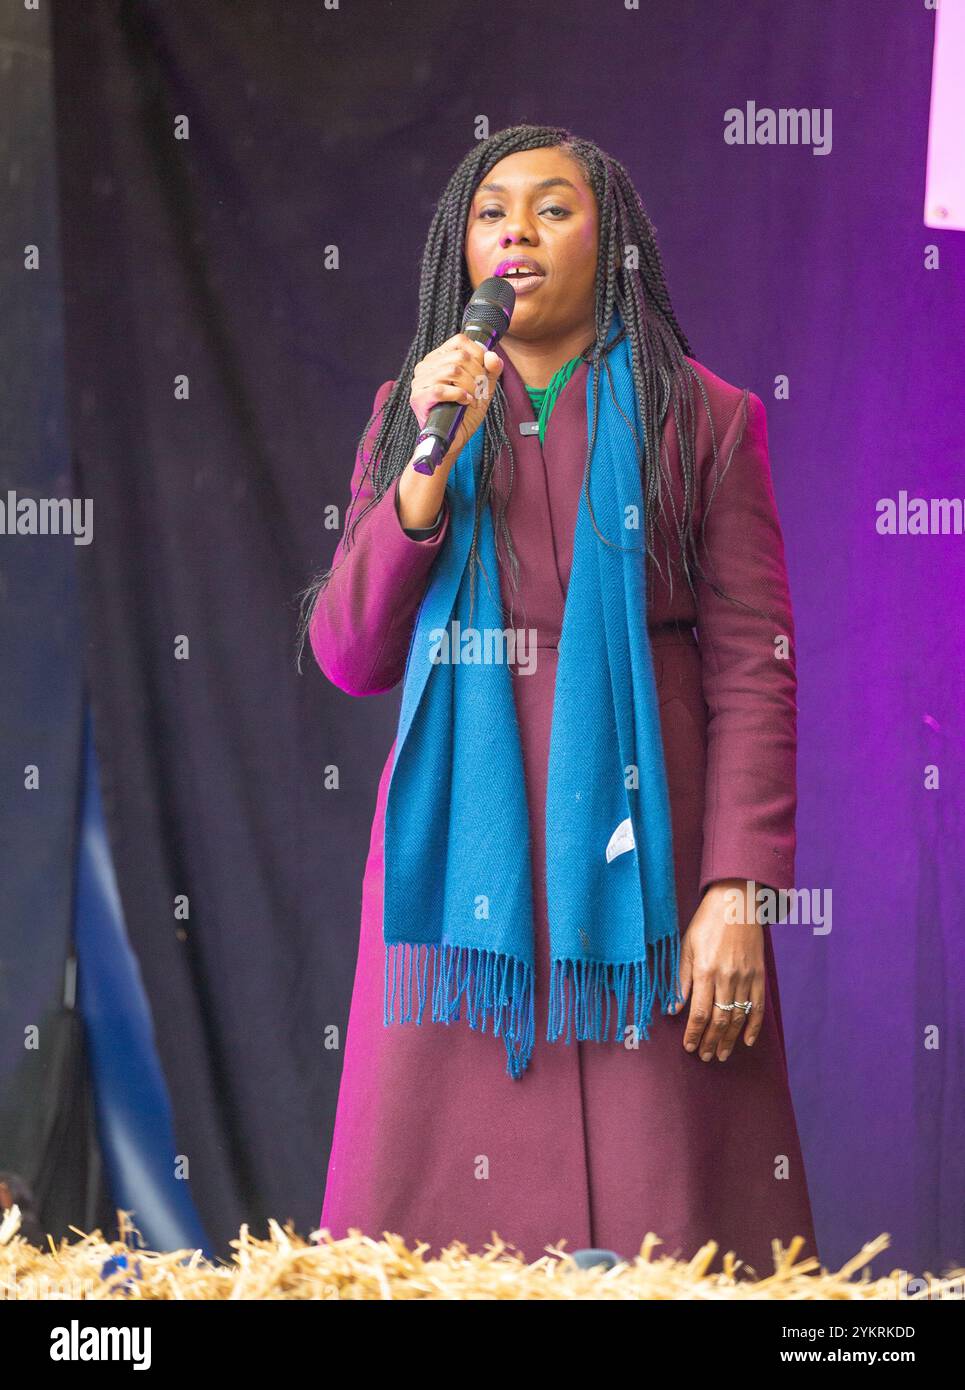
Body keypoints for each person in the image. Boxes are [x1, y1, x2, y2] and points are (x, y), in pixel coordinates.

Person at [295, 124, 818, 1273]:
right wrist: (422, 472)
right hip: (454, 881)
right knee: (428, 1241)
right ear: (463, 250)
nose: (515, 232)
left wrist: (739, 889)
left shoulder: (706, 418)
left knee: (672, 1220)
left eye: (551, 208)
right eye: (491, 213)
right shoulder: (412, 415)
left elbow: (752, 666)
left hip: (647, 869)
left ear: (610, 239)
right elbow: (348, 652)